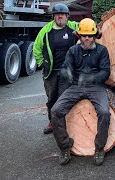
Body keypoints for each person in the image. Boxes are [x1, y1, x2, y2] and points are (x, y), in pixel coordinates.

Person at [51, 18, 111, 166]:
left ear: (95, 35)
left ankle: (99, 148)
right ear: (79, 36)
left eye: (90, 35)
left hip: (95, 87)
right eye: (84, 35)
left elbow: (105, 72)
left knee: (104, 112)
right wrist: (66, 73)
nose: (87, 38)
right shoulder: (73, 50)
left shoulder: (102, 51)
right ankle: (65, 147)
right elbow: (65, 67)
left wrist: (91, 77)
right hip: (75, 86)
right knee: (56, 110)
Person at [33, 3, 79, 134]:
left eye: (63, 14)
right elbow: (36, 48)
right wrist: (42, 63)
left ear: (67, 16)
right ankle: (52, 122)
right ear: (53, 16)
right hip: (51, 72)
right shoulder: (46, 30)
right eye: (57, 15)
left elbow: (86, 28)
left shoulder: (73, 27)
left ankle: (67, 122)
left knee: (65, 97)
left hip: (68, 71)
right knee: (52, 98)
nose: (60, 17)